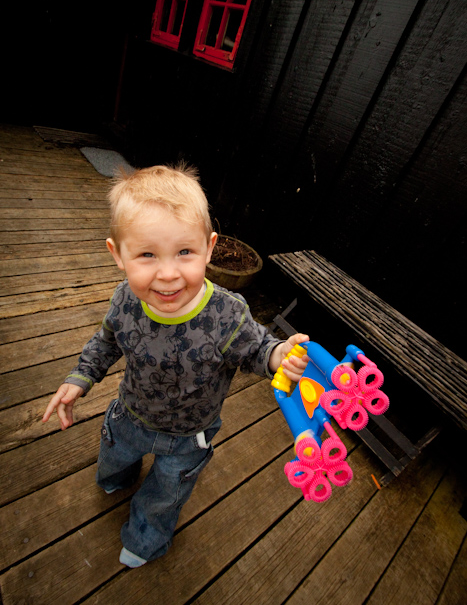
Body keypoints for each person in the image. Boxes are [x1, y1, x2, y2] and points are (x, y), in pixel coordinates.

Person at [42, 164, 309, 568]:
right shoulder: (125, 301)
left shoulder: (226, 312)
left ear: (208, 246)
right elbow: (106, 341)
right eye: (147, 255)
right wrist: (80, 378)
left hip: (189, 436)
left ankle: (146, 540)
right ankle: (116, 480)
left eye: (185, 252)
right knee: (114, 463)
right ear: (118, 254)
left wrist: (280, 357)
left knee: (165, 496)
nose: (168, 274)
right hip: (129, 416)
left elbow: (258, 349)